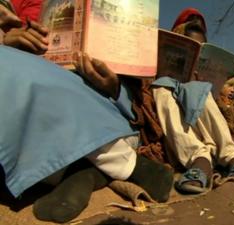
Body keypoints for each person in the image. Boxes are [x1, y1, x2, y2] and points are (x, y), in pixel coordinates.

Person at [0, 5, 173, 223]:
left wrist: (115, 86)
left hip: (105, 102)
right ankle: (88, 168)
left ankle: (94, 165)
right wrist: (6, 39)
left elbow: (142, 95)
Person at [149, 8, 234, 194]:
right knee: (162, 87)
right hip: (184, 129)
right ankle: (200, 161)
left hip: (210, 129)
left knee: (199, 89)